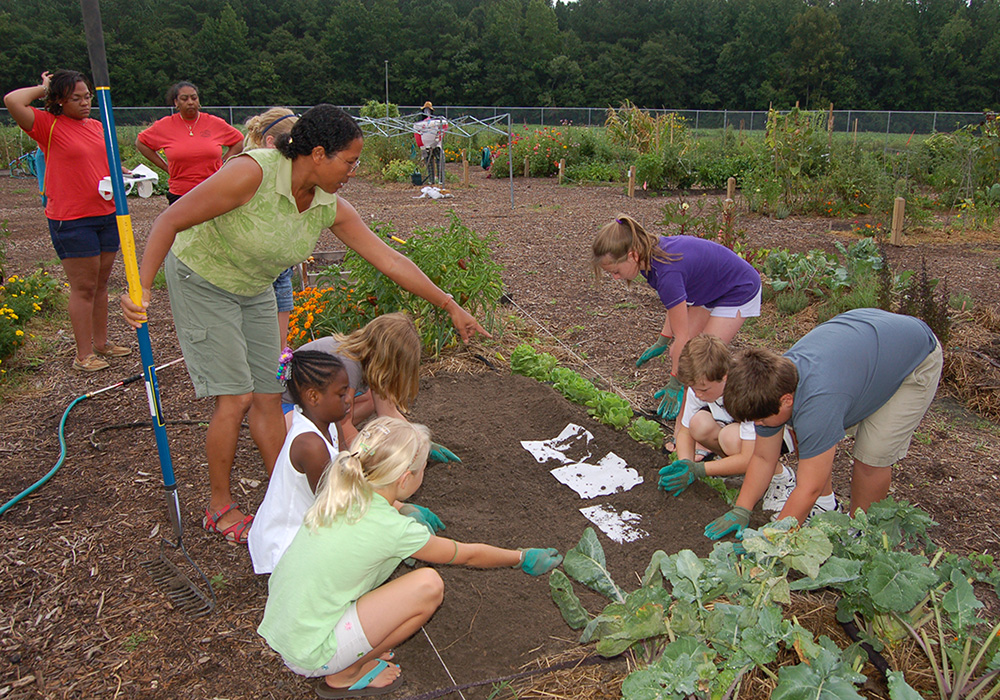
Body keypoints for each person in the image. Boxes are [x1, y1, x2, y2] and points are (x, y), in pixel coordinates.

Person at [121, 104, 488, 545]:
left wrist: (449, 304)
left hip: (253, 286)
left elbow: (388, 258)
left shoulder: (327, 205)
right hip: (203, 279)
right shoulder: (251, 175)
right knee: (235, 397)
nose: (353, 171)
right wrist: (139, 289)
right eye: (349, 161)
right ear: (318, 154)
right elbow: (169, 219)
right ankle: (218, 507)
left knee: (269, 392)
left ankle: (284, 491)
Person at [257, 417, 562, 697]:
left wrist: (402, 507)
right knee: (429, 585)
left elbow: (382, 507)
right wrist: (520, 556)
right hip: (311, 652)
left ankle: (353, 649)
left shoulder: (343, 487)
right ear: (404, 480)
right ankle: (346, 673)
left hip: (288, 625)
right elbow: (467, 555)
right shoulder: (395, 531)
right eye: (422, 470)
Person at [704, 308, 943, 540]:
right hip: (867, 344)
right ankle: (828, 506)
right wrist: (742, 510)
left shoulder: (818, 403)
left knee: (872, 453)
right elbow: (764, 457)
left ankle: (865, 532)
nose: (760, 425)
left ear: (786, 400)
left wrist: (769, 540)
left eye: (762, 420)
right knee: (812, 436)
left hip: (914, 356)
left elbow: (809, 487)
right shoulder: (769, 383)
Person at [3, 70, 132, 372]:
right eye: (76, 98)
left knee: (101, 285)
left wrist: (126, 173)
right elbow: (12, 101)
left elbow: (104, 159)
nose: (85, 102)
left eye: (87, 96)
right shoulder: (47, 125)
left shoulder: (96, 126)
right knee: (83, 287)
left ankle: (101, 343)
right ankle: (83, 354)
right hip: (72, 219)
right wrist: (42, 87)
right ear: (59, 101)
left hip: (106, 212)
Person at [592, 214, 761, 421]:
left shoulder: (666, 273)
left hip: (738, 288)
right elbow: (675, 305)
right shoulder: (650, 257)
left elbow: (682, 338)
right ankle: (697, 410)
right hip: (709, 288)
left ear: (632, 255)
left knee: (699, 362)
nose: (615, 278)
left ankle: (716, 417)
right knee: (679, 353)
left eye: (615, 271)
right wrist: (663, 340)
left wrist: (675, 382)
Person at [287, 312, 460, 462]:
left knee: (370, 398)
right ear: (389, 359)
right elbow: (344, 425)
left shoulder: (369, 359)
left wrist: (420, 442)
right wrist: (367, 457)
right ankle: (322, 446)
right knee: (342, 437)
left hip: (312, 407)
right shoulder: (348, 364)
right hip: (287, 411)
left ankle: (330, 441)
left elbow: (389, 412)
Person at [657, 334, 796, 511]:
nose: (698, 394)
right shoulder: (700, 384)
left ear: (724, 376)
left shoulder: (745, 391)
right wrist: (685, 465)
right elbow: (685, 431)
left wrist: (699, 470)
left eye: (703, 390)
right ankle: (735, 471)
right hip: (738, 436)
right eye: (693, 389)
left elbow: (749, 457)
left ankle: (780, 478)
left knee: (729, 438)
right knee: (698, 424)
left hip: (771, 437)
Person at [135, 81, 244, 204]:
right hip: (180, 194)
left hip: (213, 190)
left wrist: (224, 163)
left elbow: (239, 140)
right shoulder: (164, 125)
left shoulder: (214, 123)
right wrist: (165, 167)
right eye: (184, 99)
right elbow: (141, 142)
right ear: (176, 102)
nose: (190, 102)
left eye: (194, 98)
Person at [245, 107, 300, 345]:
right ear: (270, 142)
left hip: (280, 271)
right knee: (257, 344)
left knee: (279, 347)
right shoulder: (247, 175)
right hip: (252, 275)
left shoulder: (289, 175)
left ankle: (279, 377)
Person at [413, 101, 448, 185]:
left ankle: (440, 180)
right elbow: (417, 134)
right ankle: (431, 180)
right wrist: (421, 145)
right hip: (426, 146)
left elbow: (444, 127)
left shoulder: (436, 122)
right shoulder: (420, 124)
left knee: (439, 160)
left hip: (436, 145)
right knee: (430, 163)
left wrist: (438, 138)